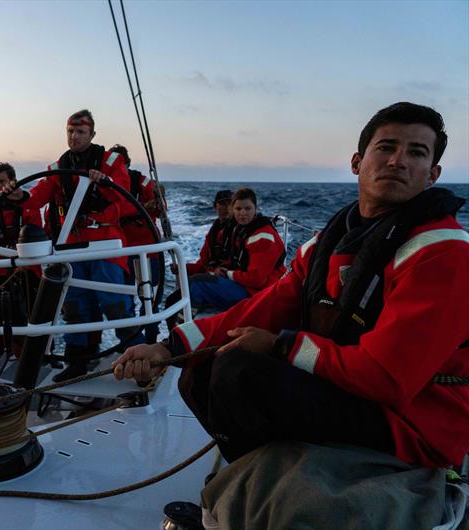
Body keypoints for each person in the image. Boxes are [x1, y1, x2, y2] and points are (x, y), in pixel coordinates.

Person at [113, 102, 469, 470]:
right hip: (351, 391)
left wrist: (281, 346)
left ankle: (266, 492)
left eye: (416, 152)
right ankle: (254, 487)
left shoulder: (444, 253)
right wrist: (168, 347)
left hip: (413, 424)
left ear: (432, 175)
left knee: (238, 371)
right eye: (386, 147)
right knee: (199, 372)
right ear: (356, 162)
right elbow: (264, 306)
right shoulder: (326, 246)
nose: (398, 161)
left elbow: (387, 378)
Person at [3, 109, 145, 381]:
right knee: (76, 307)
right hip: (72, 246)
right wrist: (19, 194)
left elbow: (125, 200)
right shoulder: (59, 167)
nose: (74, 136)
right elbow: (39, 196)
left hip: (106, 245)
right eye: (70, 131)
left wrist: (104, 183)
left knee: (116, 304)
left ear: (92, 134)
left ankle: (136, 359)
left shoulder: (111, 162)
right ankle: (79, 362)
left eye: (80, 132)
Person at [165, 188, 286, 329]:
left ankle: (183, 331)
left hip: (261, 295)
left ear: (255, 209)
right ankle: (175, 332)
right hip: (247, 286)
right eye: (238, 209)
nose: (243, 213)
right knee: (175, 298)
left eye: (248, 208)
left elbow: (257, 279)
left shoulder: (262, 236)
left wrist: (227, 274)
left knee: (198, 285)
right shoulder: (241, 230)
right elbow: (228, 261)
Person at [0, 162, 43, 355]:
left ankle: (42, 353)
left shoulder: (29, 205)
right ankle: (14, 355)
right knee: (6, 316)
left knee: (34, 314)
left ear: (13, 181)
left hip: (28, 270)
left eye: (2, 181)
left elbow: (38, 236)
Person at [109, 144, 165, 344]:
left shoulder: (144, 182)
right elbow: (112, 213)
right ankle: (130, 340)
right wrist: (140, 208)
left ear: (128, 163)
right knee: (123, 298)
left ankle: (150, 340)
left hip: (146, 248)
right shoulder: (106, 186)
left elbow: (160, 211)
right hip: (120, 249)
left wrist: (159, 198)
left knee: (149, 298)